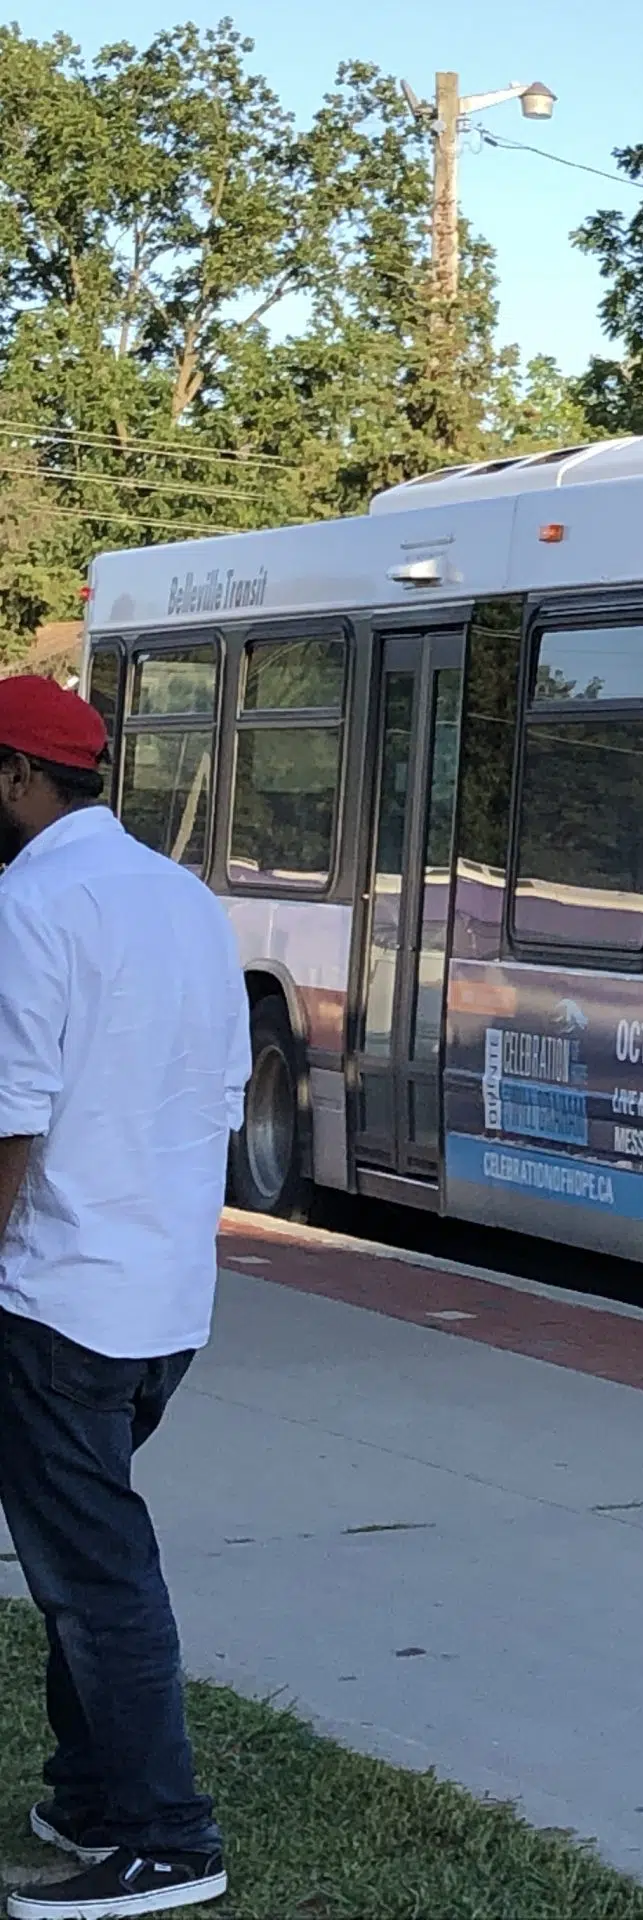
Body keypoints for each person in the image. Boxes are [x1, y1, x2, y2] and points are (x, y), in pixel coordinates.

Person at [0, 676, 244, 1919]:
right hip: (166, 1301)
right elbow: (224, 1100)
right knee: (77, 1553)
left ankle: (165, 1839)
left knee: (96, 1573)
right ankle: (91, 1794)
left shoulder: (28, 904)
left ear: (15, 781)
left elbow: (11, 1119)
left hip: (55, 1298)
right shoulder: (188, 900)